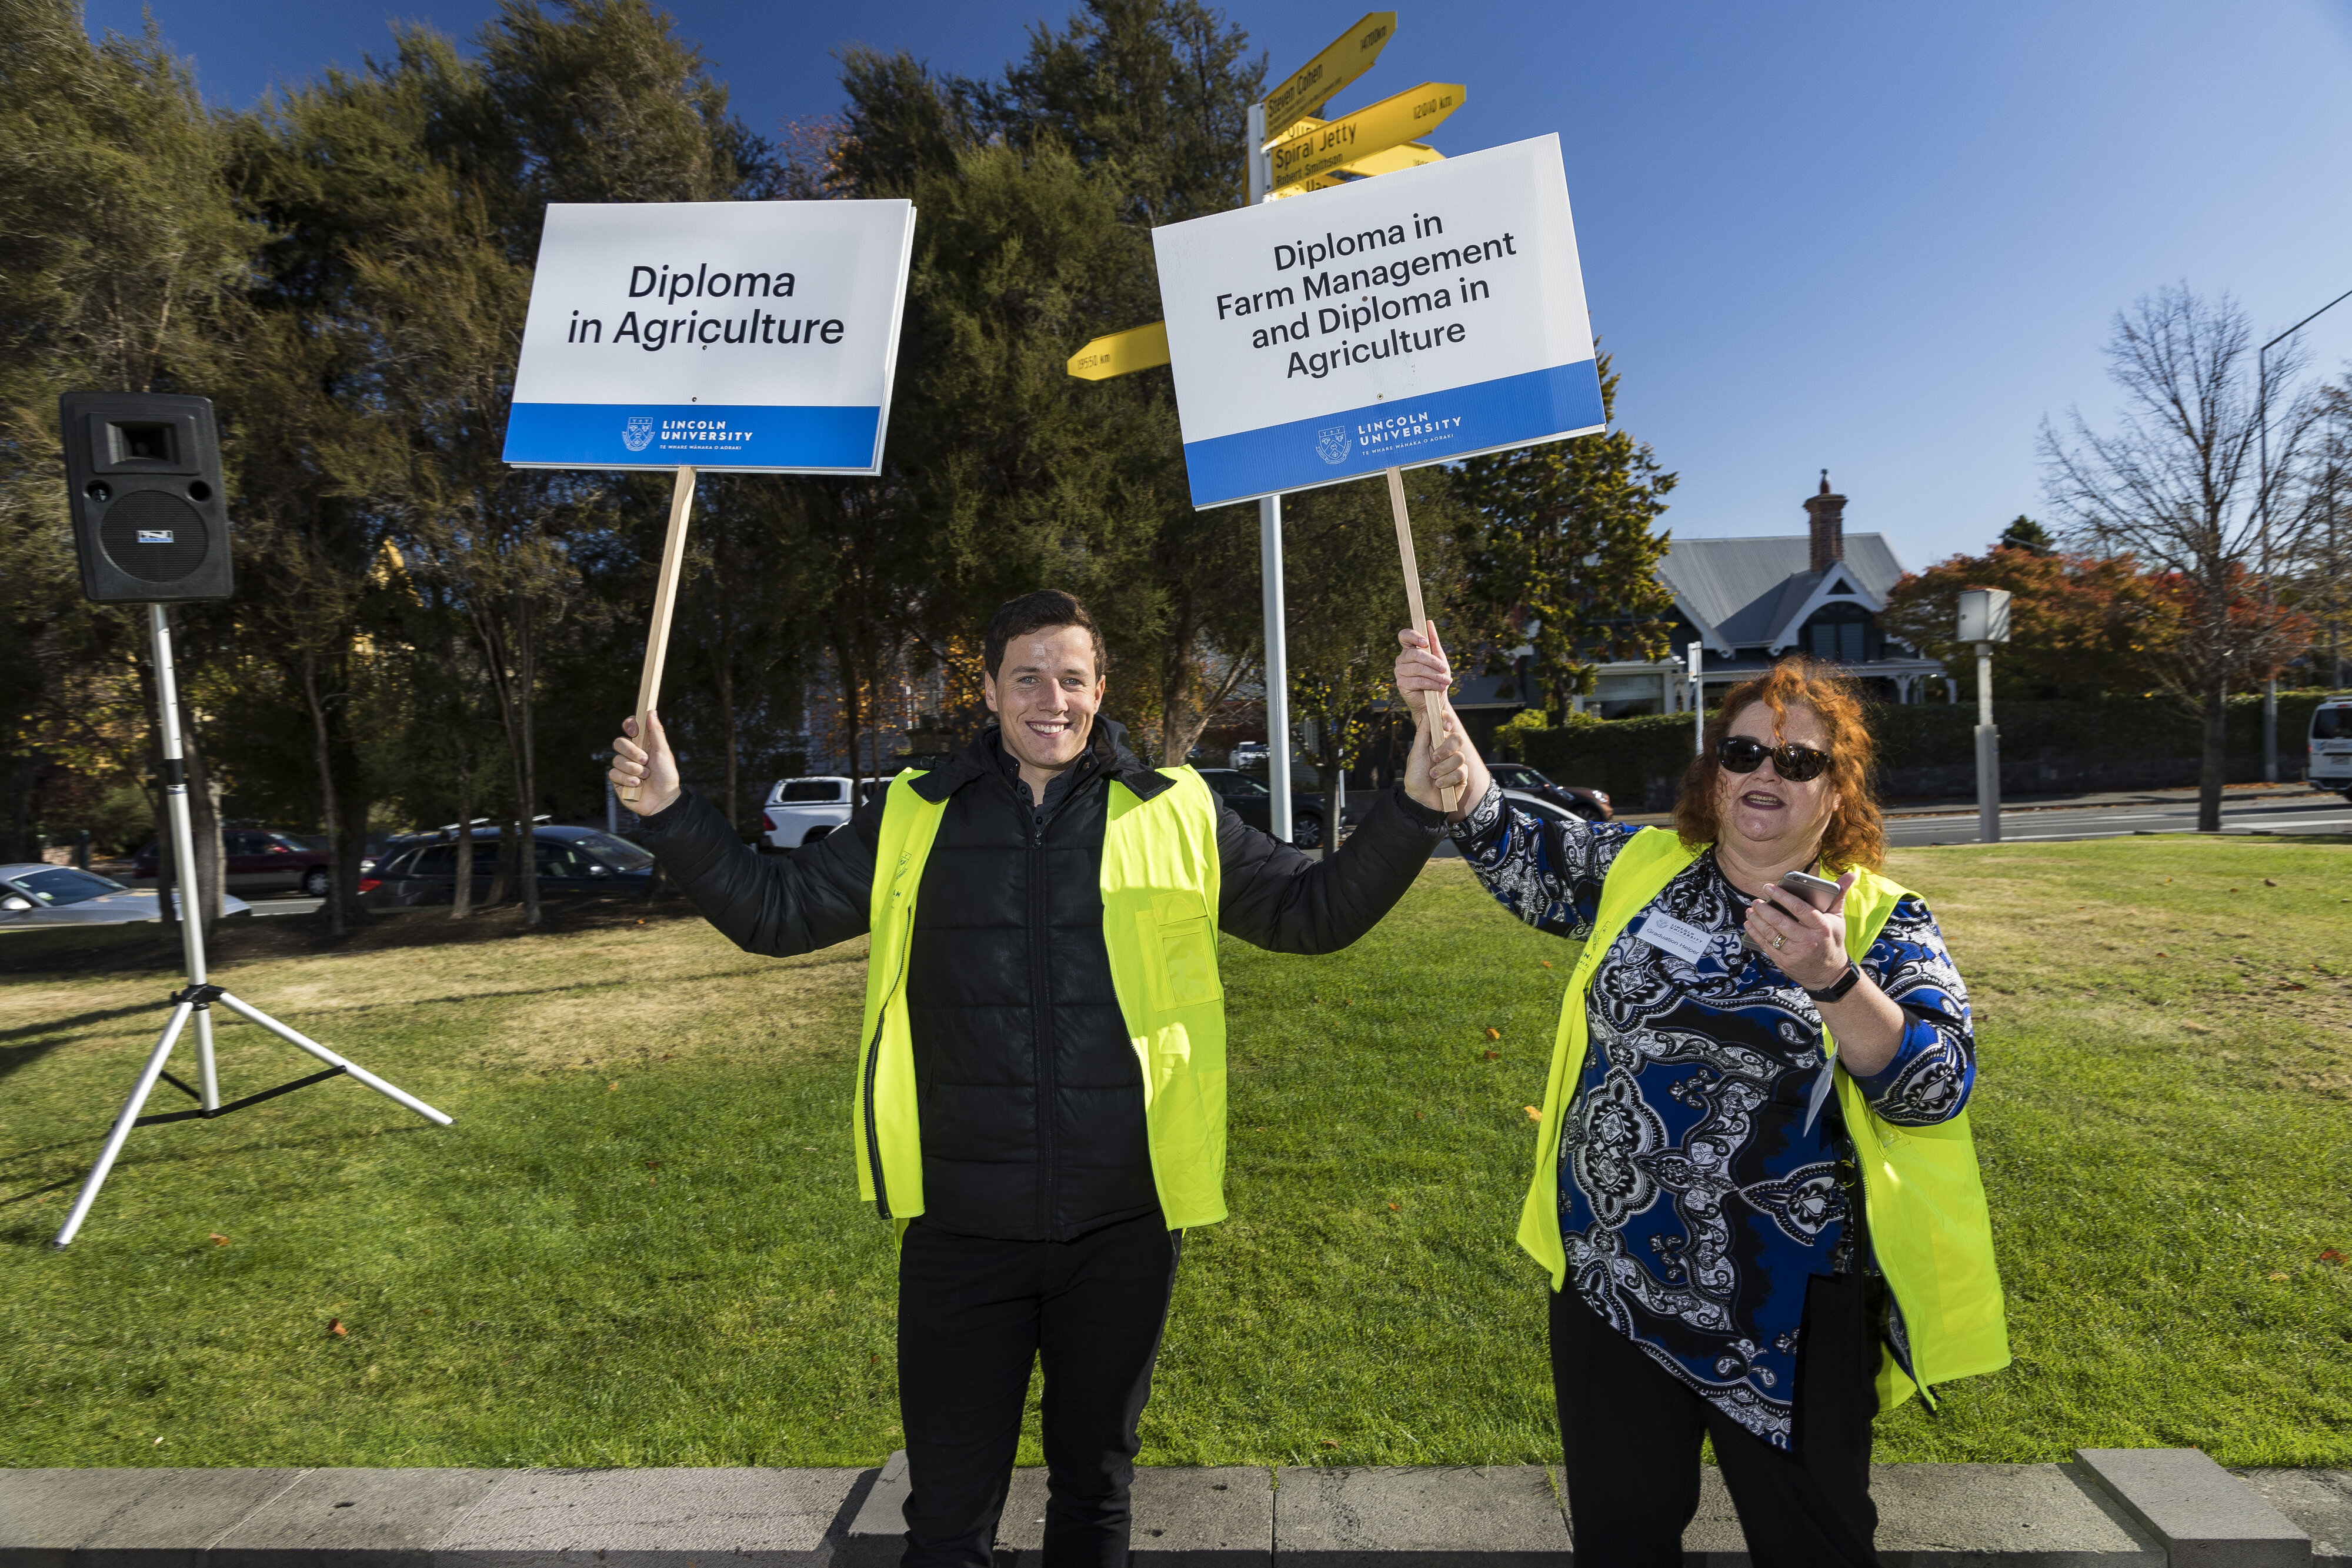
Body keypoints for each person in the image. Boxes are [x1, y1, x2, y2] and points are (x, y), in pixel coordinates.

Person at [609, 590, 1470, 1568]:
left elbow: (1314, 913)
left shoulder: (1179, 809)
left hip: (1122, 1223)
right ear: (987, 689)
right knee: (944, 1517)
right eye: (1026, 676)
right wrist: (671, 812)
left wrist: (1412, 810)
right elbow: (773, 912)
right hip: (962, 1229)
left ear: (1101, 689)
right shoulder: (911, 813)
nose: (1049, 699)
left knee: (1096, 1492)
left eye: (1071, 677)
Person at [1394, 634, 2006, 1568]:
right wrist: (1434, 706)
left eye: (1800, 759)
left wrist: (1834, 980)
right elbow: (1509, 838)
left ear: (1836, 791)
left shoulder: (1882, 920)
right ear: (1716, 774)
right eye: (1745, 750)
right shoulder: (1640, 868)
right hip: (1614, 1282)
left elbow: (1935, 1087)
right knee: (1622, 1543)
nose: (1768, 769)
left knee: (1818, 1546)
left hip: (1788, 1309)